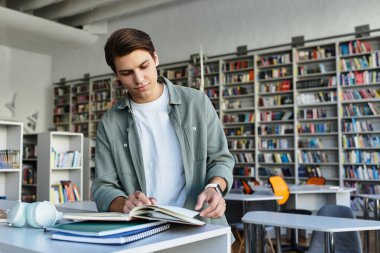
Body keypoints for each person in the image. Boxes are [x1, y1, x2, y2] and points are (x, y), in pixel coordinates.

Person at [91, 28, 234, 227]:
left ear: (156, 58)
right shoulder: (110, 122)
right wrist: (124, 204)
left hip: (202, 223)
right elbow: (102, 187)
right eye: (127, 73)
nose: (139, 78)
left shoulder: (196, 103)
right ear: (117, 75)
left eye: (144, 66)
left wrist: (214, 187)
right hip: (144, 229)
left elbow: (221, 159)